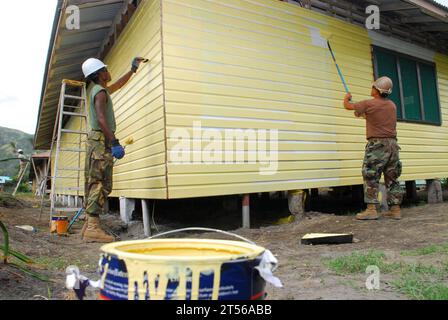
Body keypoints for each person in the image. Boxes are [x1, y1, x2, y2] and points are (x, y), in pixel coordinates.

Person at [81, 57, 147, 243]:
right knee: (100, 183)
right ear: (100, 74)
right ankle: (93, 228)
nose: (108, 71)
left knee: (97, 182)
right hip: (101, 141)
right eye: (105, 69)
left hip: (97, 141)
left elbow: (118, 85)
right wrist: (114, 141)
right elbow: (102, 119)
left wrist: (132, 69)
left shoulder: (99, 90)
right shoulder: (100, 92)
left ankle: (91, 222)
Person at [343, 76, 403, 220]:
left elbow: (348, 106)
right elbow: (375, 117)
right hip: (393, 145)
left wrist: (347, 98)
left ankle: (371, 209)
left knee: (370, 175)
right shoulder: (392, 105)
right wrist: (363, 113)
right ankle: (395, 210)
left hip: (377, 145)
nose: (371, 88)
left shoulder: (368, 104)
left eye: (373, 87)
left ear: (377, 90)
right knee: (392, 176)